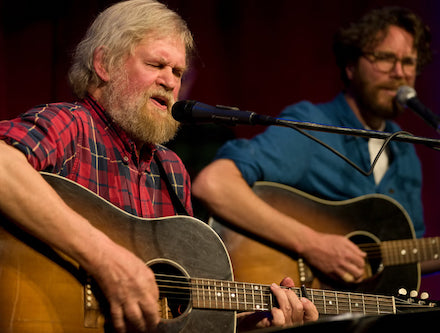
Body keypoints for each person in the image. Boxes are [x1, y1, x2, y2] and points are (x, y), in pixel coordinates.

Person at [0, 0, 318, 332]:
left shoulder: (171, 170)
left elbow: (175, 305)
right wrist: (106, 260)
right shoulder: (70, 125)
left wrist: (252, 322)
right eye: (156, 64)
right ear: (104, 64)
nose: (170, 82)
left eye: (178, 72)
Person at [193, 6, 440, 298]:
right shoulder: (313, 127)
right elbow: (215, 184)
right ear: (351, 66)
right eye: (384, 58)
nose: (399, 73)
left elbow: (403, 253)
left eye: (408, 62)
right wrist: (313, 244)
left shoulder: (404, 152)